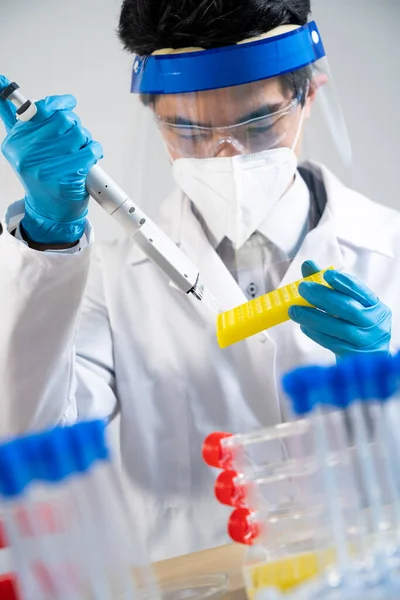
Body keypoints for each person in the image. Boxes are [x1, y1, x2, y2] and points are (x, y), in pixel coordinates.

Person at [0, 0, 399, 561]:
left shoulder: (391, 250)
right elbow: (30, 449)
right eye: (187, 129)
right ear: (153, 116)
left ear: (309, 95)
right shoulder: (107, 281)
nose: (223, 154)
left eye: (258, 123)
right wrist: (49, 242)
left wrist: (383, 391)